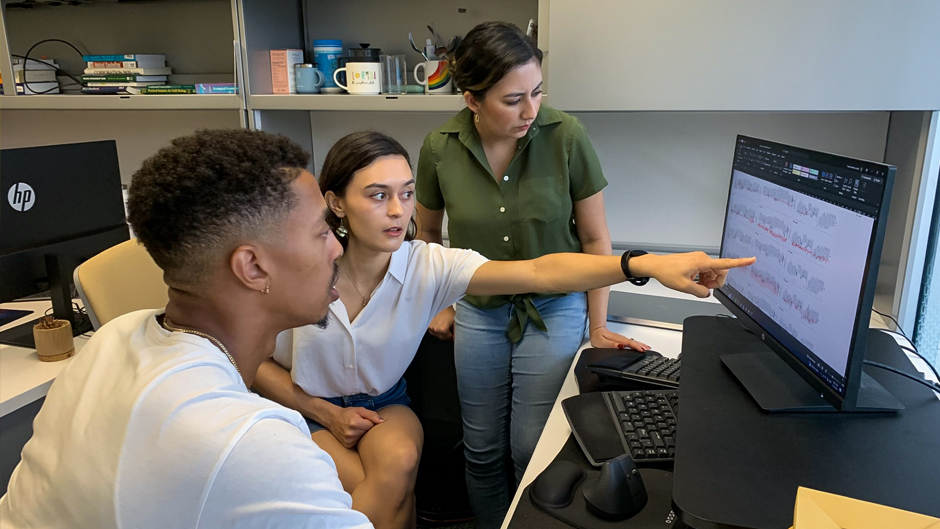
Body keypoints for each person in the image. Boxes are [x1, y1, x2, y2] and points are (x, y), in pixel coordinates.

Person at [254, 131, 754, 529]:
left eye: (406, 194)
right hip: (304, 409)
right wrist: (321, 411)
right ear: (336, 203)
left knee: (400, 461)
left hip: (385, 402)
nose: (397, 211)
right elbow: (251, 363)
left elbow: (541, 272)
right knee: (377, 484)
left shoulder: (427, 265)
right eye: (377, 195)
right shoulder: (298, 269)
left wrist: (644, 264)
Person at [0, 129, 372, 529]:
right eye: (321, 233)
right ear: (252, 267)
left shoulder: (113, 337)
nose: (336, 247)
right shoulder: (254, 444)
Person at [414, 21, 663, 527]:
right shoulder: (439, 148)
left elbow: (595, 242)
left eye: (537, 92)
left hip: (556, 307)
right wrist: (438, 304)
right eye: (512, 100)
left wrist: (596, 325)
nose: (531, 110)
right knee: (481, 450)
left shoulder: (566, 134)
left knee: (532, 447)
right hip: (478, 310)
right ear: (472, 99)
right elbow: (425, 240)